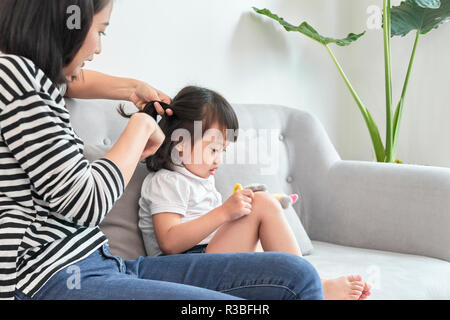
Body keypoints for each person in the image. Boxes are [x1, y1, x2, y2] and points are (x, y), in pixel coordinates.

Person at [0, 0, 323, 300]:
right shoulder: (13, 75)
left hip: (100, 262)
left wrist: (133, 88)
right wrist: (140, 127)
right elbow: (85, 203)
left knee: (297, 275)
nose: (98, 48)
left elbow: (71, 79)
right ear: (63, 23)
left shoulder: (35, 79)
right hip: (45, 276)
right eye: (99, 31)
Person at [136, 86, 372, 300]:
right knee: (261, 203)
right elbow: (169, 242)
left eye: (223, 150)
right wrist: (223, 213)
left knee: (258, 206)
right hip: (182, 270)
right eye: (214, 149)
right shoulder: (166, 181)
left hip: (205, 260)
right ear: (180, 142)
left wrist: (235, 214)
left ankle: (301, 282)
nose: (219, 159)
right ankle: (314, 285)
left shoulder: (200, 179)